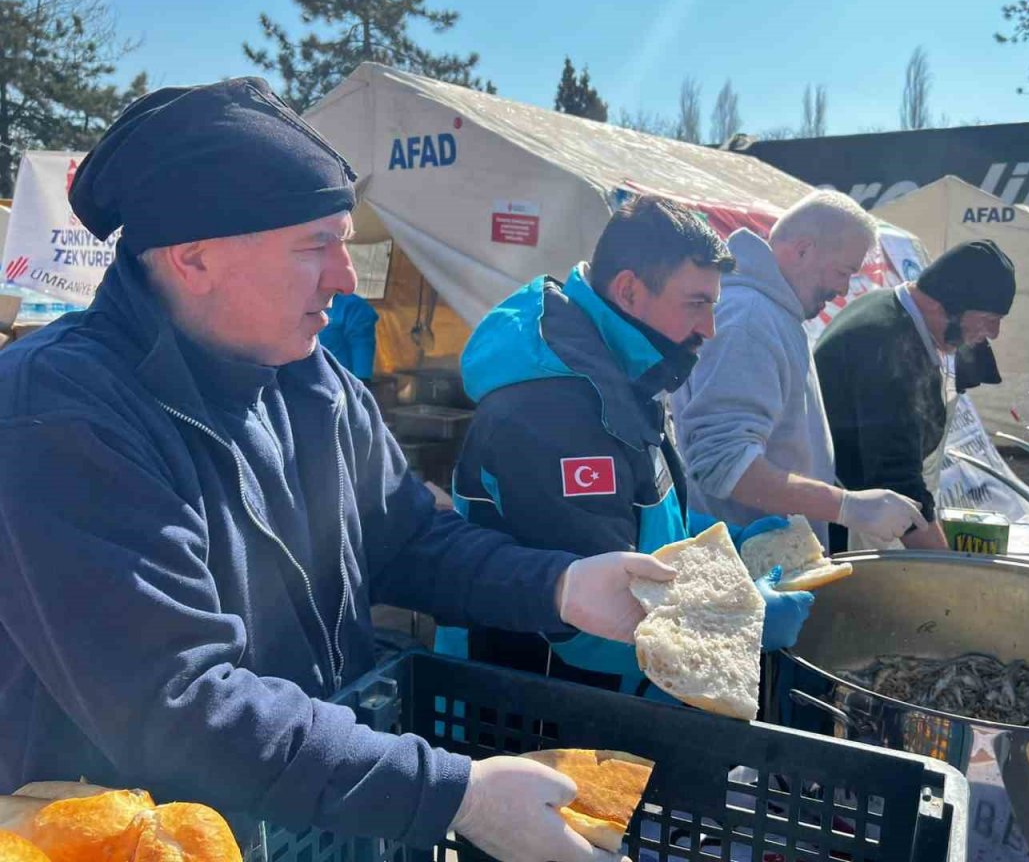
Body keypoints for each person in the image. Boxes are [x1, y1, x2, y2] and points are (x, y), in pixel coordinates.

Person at [0, 77, 675, 862]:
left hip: (314, 805)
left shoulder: (307, 379)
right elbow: (176, 706)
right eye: (314, 245)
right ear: (194, 259)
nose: (347, 278)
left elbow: (407, 541)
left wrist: (562, 586)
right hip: (151, 837)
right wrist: (457, 797)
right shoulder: (61, 413)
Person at [453, 194, 814, 695]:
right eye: (696, 304)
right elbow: (587, 621)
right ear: (628, 291)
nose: (708, 329)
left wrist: (726, 540)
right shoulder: (552, 410)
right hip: (536, 706)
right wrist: (742, 622)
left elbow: (639, 521)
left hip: (612, 692)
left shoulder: (626, 372)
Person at [671, 190, 927, 550]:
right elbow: (723, 463)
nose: (841, 290)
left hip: (768, 560)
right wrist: (846, 506)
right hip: (747, 566)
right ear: (803, 249)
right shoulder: (750, 319)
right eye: (843, 272)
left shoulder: (774, 312)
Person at [814, 240, 1016, 551]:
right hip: (850, 525)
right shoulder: (885, 346)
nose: (994, 334)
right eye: (989, 320)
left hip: (887, 513)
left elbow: (973, 365)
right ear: (940, 305)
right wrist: (947, 572)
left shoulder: (910, 314)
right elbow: (895, 478)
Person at [318, 291, 379, 381]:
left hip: (338, 379)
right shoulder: (305, 300)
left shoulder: (354, 305)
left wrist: (362, 378)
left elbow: (362, 342)